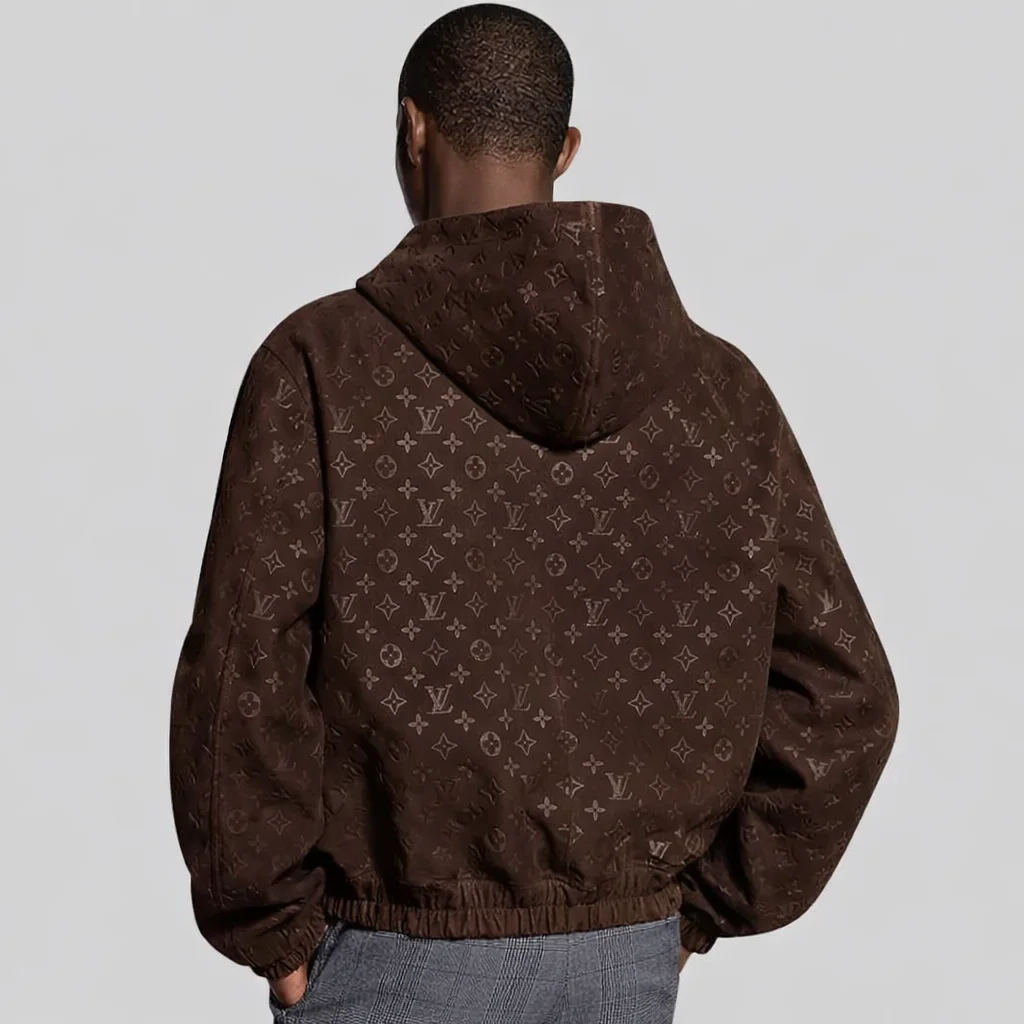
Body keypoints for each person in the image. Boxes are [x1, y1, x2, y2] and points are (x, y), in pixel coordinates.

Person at [168, 4, 899, 1021]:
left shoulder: (321, 365)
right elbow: (846, 693)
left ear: (413, 129)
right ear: (565, 149)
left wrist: (272, 932)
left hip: (391, 950)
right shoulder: (720, 392)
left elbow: (241, 674)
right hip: (621, 962)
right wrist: (691, 910)